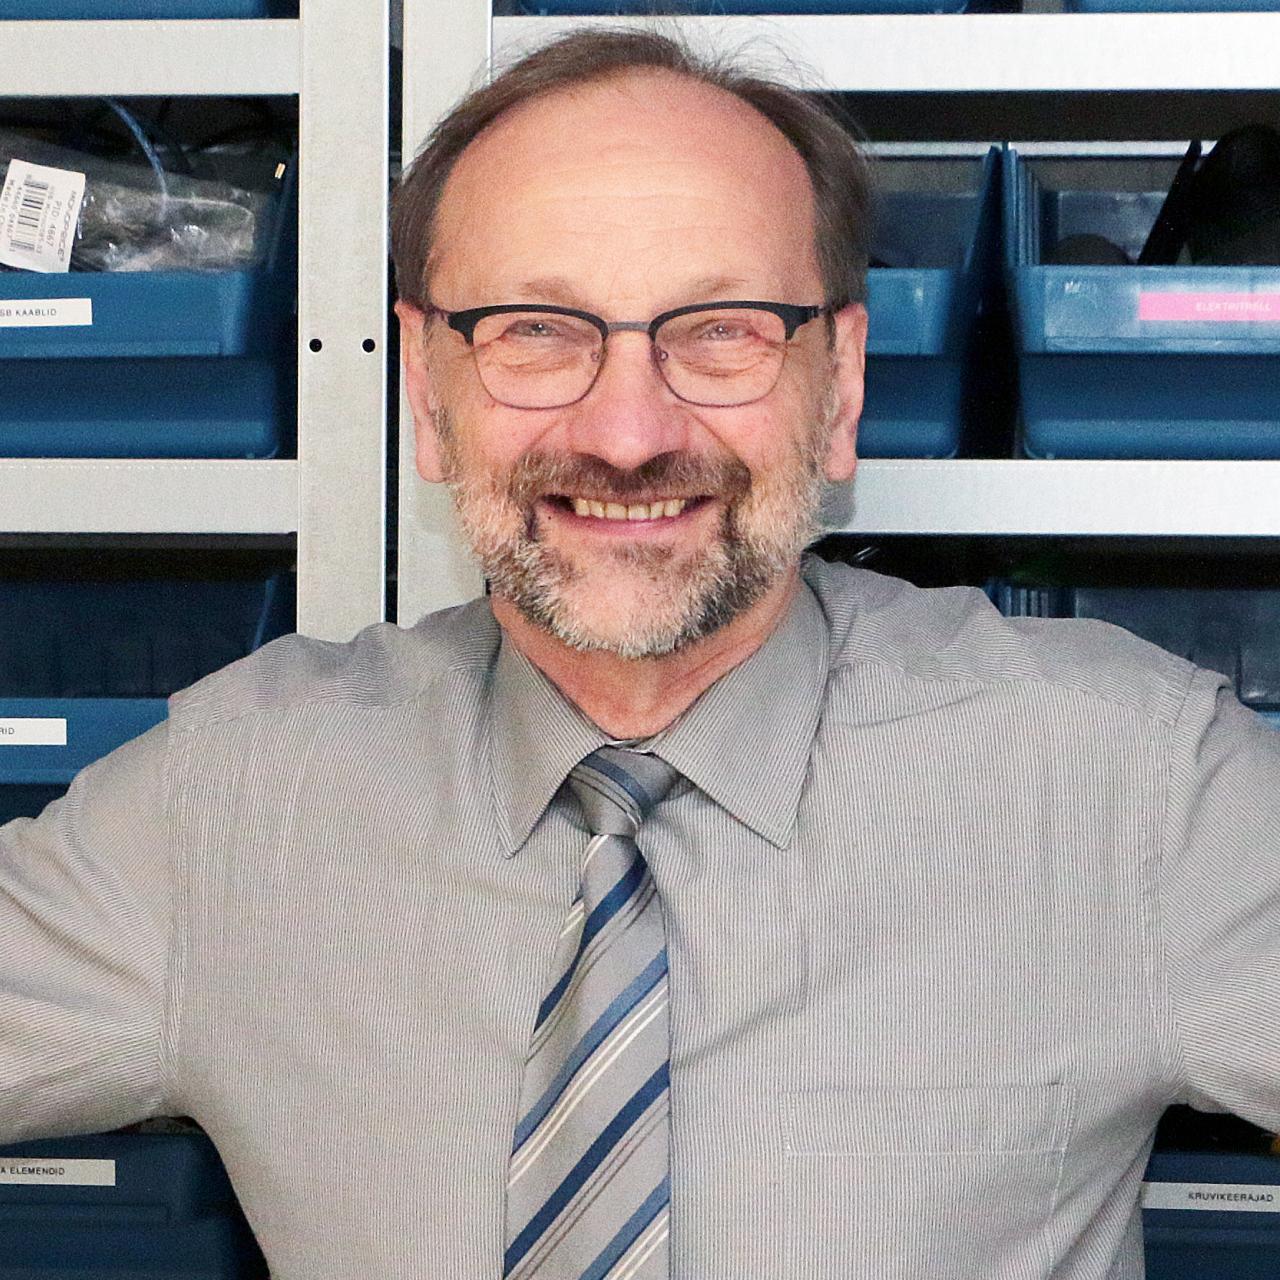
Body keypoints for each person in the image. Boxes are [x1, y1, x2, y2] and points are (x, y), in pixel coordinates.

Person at [3, 26, 1280, 1280]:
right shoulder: (228, 800)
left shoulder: (1134, 785)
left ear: (836, 388)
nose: (625, 430)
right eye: (534, 330)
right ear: (429, 399)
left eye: (720, 329)